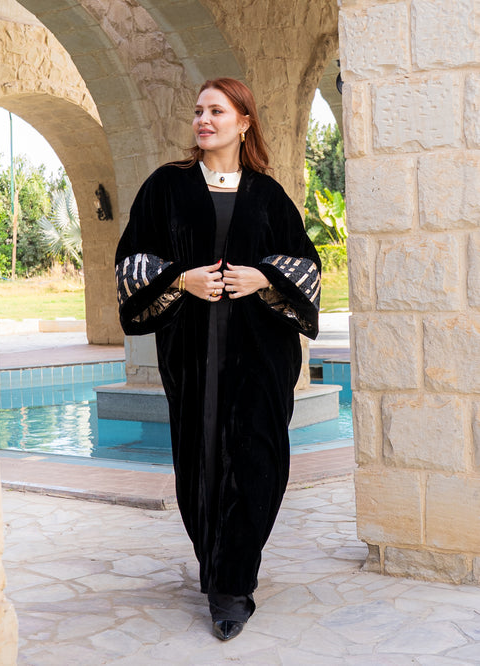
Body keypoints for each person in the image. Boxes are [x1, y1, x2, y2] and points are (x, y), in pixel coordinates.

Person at [115, 77, 321, 641]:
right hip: (192, 353)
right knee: (200, 459)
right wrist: (181, 280)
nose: (204, 120)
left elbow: (306, 267)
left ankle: (232, 586)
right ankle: (219, 570)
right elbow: (131, 261)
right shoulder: (165, 187)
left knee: (258, 461)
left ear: (244, 122)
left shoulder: (268, 194)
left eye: (217, 111)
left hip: (260, 355)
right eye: (199, 111)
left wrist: (263, 277)